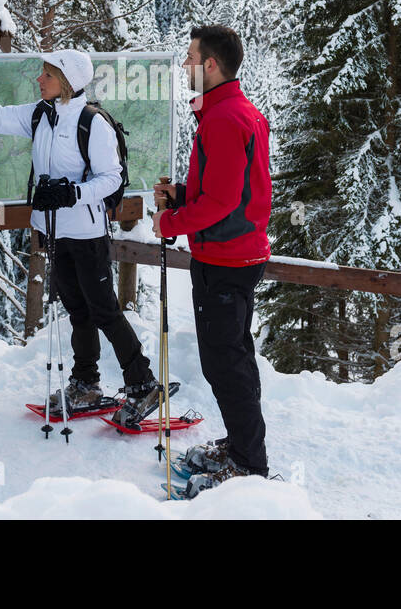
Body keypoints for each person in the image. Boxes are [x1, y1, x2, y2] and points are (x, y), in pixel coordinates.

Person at [0, 49, 163, 418]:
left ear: (67, 83)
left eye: (47, 75)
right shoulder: (41, 115)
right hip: (56, 232)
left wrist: (73, 193)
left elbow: (112, 178)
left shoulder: (92, 123)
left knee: (103, 309)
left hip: (87, 233)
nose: (40, 80)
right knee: (77, 309)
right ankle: (86, 382)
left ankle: (144, 383)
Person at [152, 25, 272, 497]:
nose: (185, 66)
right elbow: (236, 192)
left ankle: (248, 465)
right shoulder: (234, 112)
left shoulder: (223, 119)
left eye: (190, 58)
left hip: (225, 259)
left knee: (225, 364)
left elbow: (222, 200)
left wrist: (170, 221)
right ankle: (244, 449)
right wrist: (183, 196)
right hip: (237, 254)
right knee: (234, 359)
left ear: (211, 66)